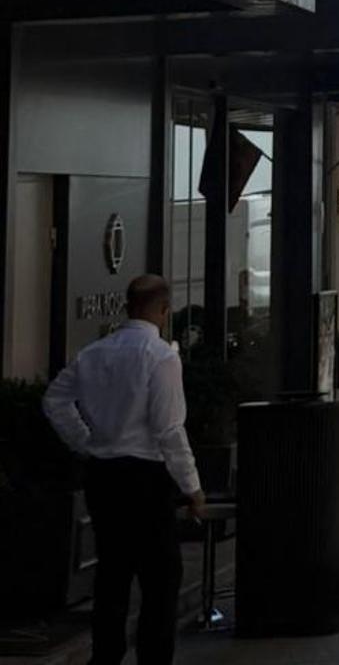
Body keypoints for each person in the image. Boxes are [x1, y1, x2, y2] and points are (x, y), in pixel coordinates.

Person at [43, 274, 204, 665]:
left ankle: (106, 657)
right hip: (146, 477)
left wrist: (84, 441)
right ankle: (153, 658)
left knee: (112, 573)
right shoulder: (161, 357)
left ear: (127, 307)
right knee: (160, 579)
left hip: (103, 474)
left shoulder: (93, 353)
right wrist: (192, 486)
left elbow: (55, 399)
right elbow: (169, 429)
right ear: (164, 311)